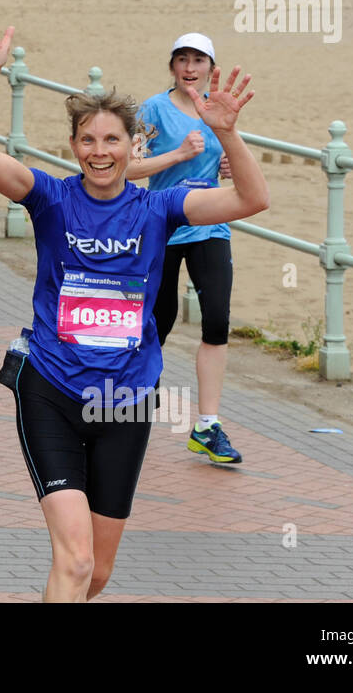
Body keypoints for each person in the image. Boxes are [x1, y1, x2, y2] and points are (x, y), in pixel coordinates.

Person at [0, 5, 269, 603]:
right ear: (74, 146)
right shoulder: (49, 197)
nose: (100, 151)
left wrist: (228, 133)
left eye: (112, 140)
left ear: (132, 146)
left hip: (124, 400)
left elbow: (253, 200)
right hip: (51, 389)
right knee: (74, 562)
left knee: (96, 574)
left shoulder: (161, 207)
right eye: (88, 140)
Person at [128, 32, 243, 464]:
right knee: (159, 319)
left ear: (212, 67)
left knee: (217, 320)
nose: (190, 68)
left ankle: (207, 426)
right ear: (172, 66)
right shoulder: (153, 110)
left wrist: (229, 160)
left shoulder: (217, 107)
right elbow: (130, 168)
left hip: (210, 223)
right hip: (163, 223)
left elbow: (229, 157)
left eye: (199, 60)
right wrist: (176, 155)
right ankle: (136, 401)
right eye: (182, 59)